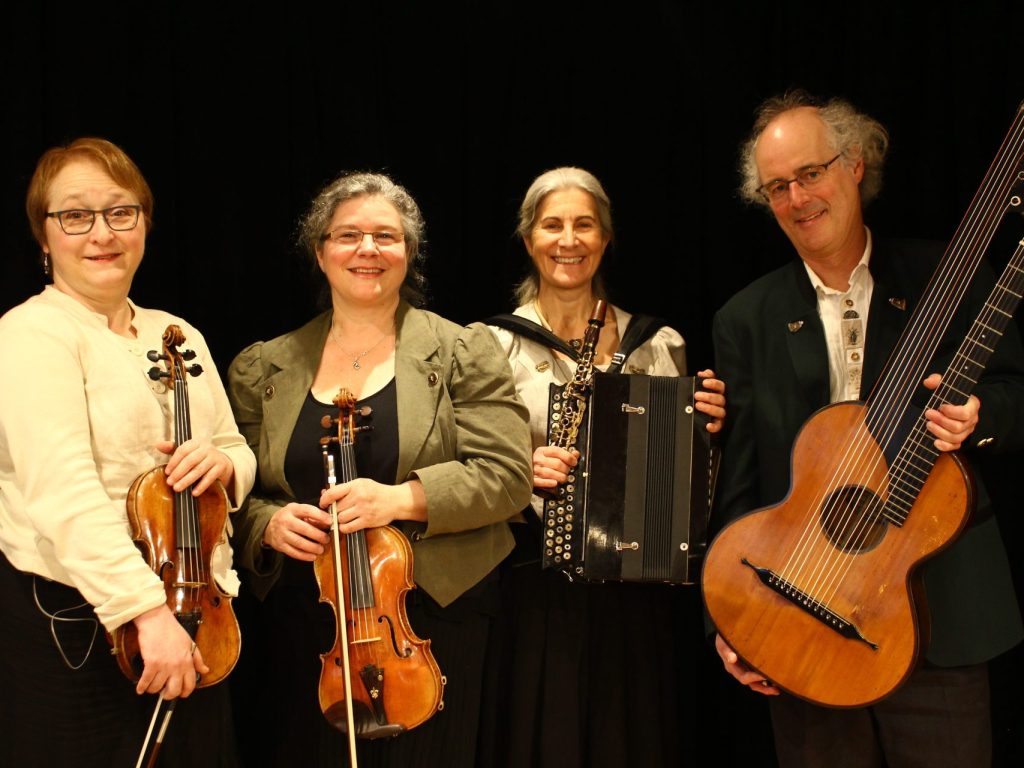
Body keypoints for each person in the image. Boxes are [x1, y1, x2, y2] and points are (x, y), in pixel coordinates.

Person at [711, 90, 1024, 766]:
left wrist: (980, 417)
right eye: (777, 188)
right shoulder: (746, 318)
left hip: (939, 614)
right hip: (800, 616)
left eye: (811, 174)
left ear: (854, 165)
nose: (797, 199)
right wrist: (733, 619)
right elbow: (738, 483)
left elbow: (1014, 395)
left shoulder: (948, 271)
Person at [227, 171, 532, 767]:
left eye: (386, 237)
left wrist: (399, 500)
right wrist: (266, 523)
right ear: (320, 252)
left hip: (432, 615)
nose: (368, 249)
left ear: (408, 253)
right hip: (308, 620)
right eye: (349, 235)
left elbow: (507, 474)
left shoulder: (462, 350)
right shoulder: (263, 367)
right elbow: (236, 489)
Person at [0, 137, 257, 767]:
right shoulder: (35, 332)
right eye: (75, 216)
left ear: (144, 223)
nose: (102, 233)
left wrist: (223, 466)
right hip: (84, 623)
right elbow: (63, 491)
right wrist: (145, 615)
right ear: (44, 235)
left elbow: (235, 449)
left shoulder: (175, 333)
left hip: (191, 604)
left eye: (121, 212)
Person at [482, 167, 727, 768]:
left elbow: (680, 469)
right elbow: (466, 460)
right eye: (553, 225)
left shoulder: (657, 342)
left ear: (606, 238)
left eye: (584, 225)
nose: (569, 240)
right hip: (533, 580)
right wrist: (521, 468)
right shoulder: (489, 344)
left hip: (635, 583)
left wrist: (707, 428)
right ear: (529, 239)